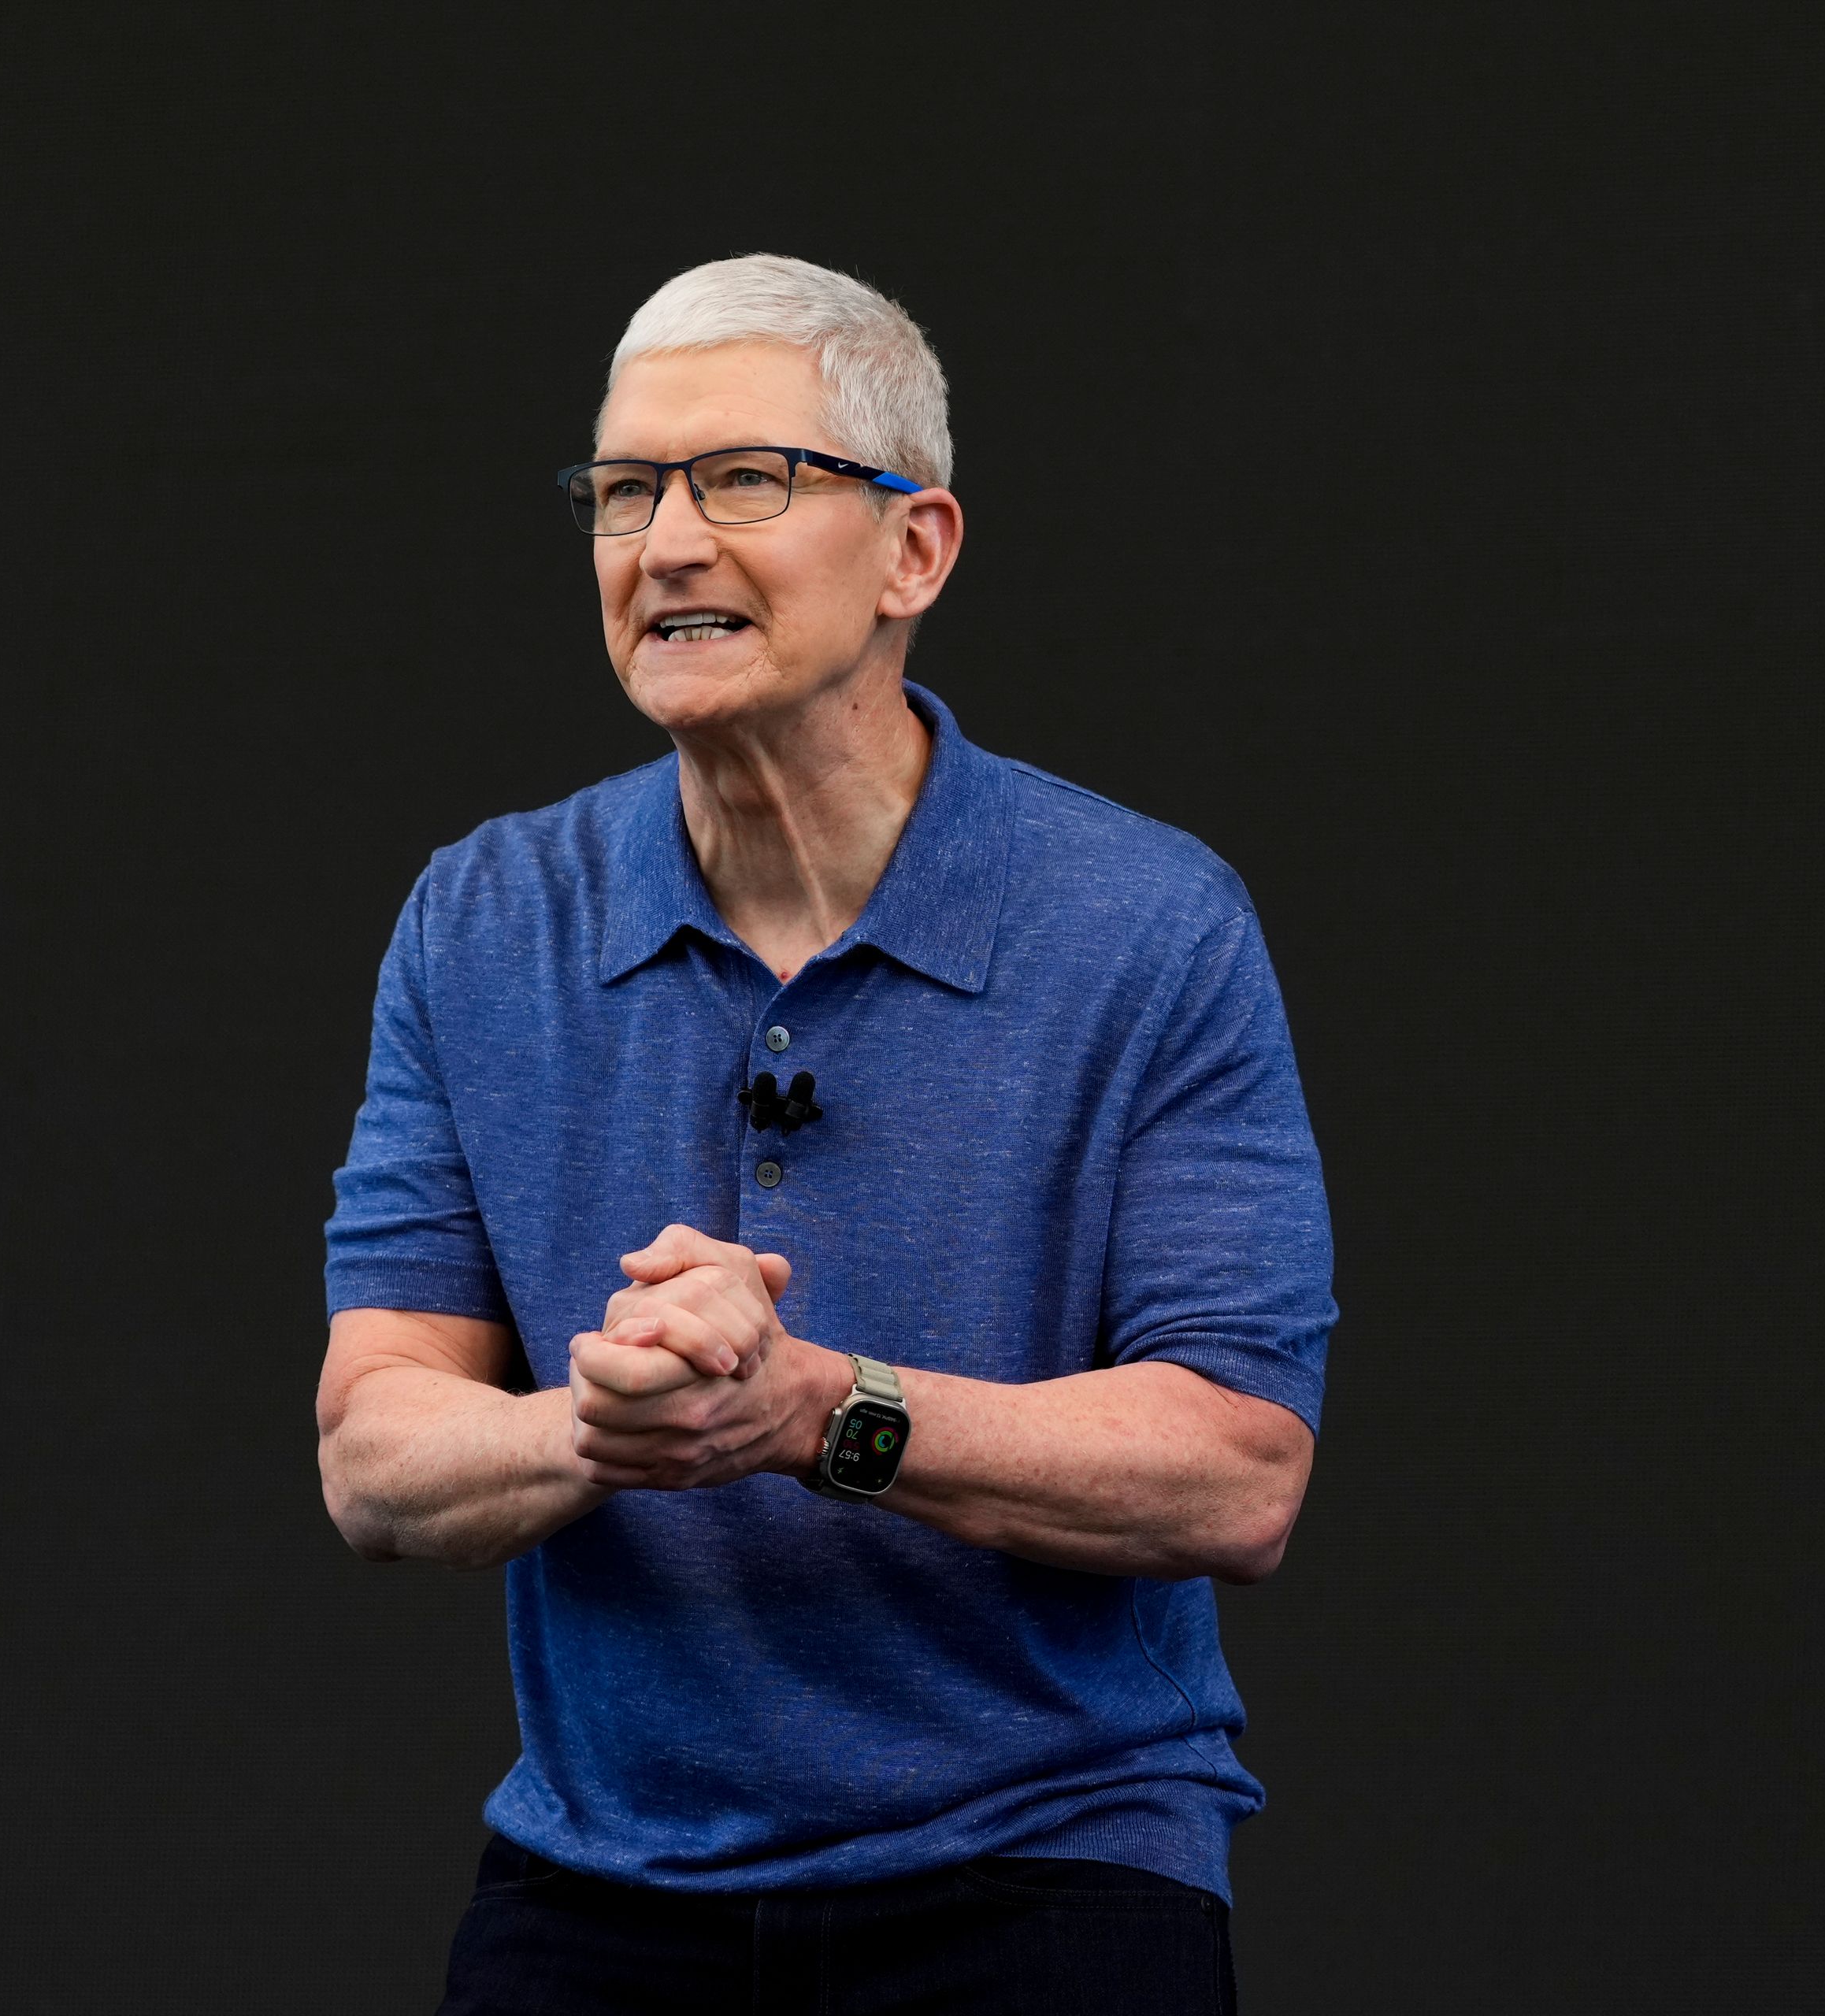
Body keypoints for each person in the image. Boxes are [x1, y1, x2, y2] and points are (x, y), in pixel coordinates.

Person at [315, 254, 1336, 2014]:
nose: (669, 541)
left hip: (1049, 1869)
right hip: (602, 1881)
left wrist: (814, 1408)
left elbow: (1237, 1468)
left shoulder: (1148, 923)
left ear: (915, 549)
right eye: (625, 491)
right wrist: (618, 1424)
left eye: (747, 479)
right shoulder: (481, 916)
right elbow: (374, 1449)